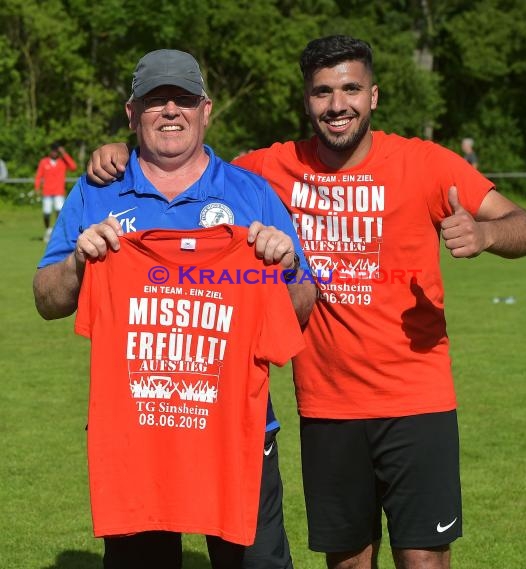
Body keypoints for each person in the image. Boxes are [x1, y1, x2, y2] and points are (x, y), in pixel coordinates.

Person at [87, 36, 526, 569]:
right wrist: (126, 153)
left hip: (417, 401)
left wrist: (486, 237)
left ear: (373, 96)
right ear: (307, 101)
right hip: (326, 406)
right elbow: (187, 161)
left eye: (350, 89)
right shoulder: (268, 169)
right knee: (348, 562)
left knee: (423, 559)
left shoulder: (426, 164)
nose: (337, 104)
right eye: (322, 92)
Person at [33, 48, 315, 569]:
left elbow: (297, 312)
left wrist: (287, 268)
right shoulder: (98, 191)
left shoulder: (251, 193)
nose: (170, 110)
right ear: (132, 112)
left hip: (237, 435)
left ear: (205, 109)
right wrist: (79, 262)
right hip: (138, 433)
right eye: (155, 100)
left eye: (183, 99)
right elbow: (46, 299)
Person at [34, 142, 77, 241]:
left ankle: (58, 231)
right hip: (47, 192)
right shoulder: (44, 162)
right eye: (53, 151)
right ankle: (48, 230)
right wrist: (37, 187)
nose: (54, 153)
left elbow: (73, 167)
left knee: (59, 211)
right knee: (46, 212)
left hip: (59, 192)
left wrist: (64, 153)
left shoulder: (62, 162)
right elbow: (38, 175)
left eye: (56, 151)